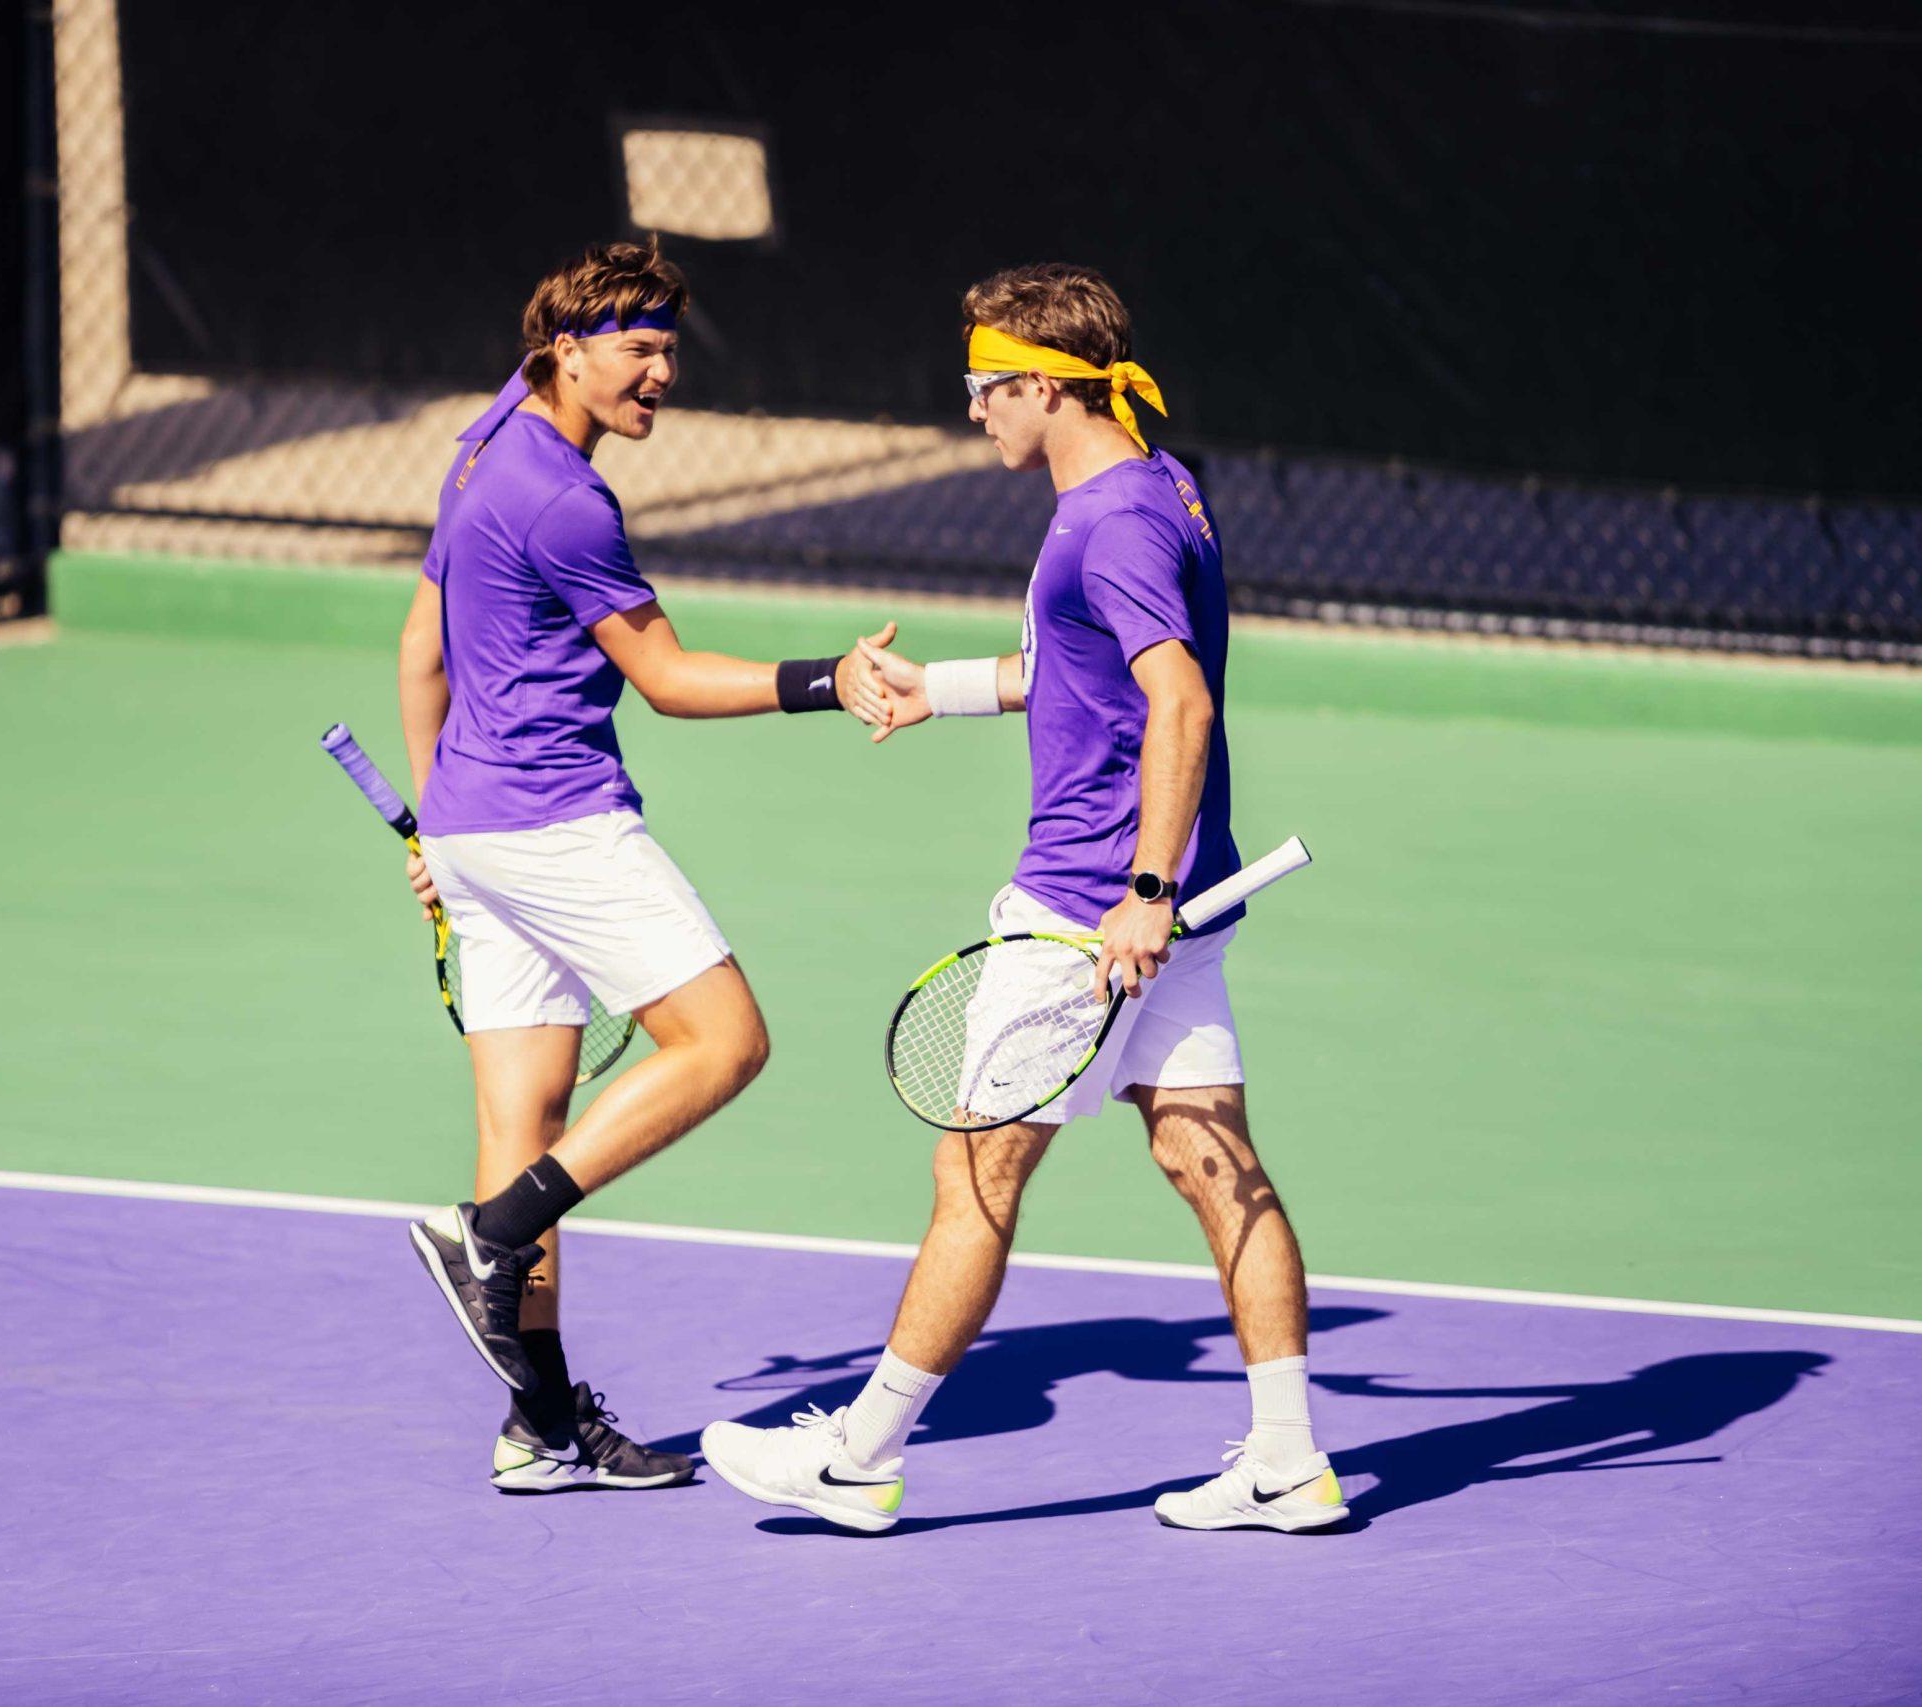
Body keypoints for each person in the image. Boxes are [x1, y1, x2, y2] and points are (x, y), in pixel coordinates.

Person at [699, 263, 1344, 1533]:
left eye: (982, 389)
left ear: (1043, 387)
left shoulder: (1109, 521)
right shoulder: (1155, 490)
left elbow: (1180, 702)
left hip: (1086, 911)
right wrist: (918, 690)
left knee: (975, 1181)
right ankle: (1286, 1460)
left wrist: (1142, 890)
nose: (973, 412)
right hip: (1166, 903)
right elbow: (1071, 672)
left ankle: (859, 1460)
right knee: (1214, 1167)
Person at [396, 238, 889, 1493]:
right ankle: (484, 1240)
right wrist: (829, 680)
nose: (662, 372)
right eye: (638, 348)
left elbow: (421, 653)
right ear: (566, 349)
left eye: (671, 346)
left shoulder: (485, 437)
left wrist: (433, 833)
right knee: (724, 1042)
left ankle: (542, 1429)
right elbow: (666, 682)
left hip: (473, 824)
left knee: (525, 1122)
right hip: (558, 822)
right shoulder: (566, 498)